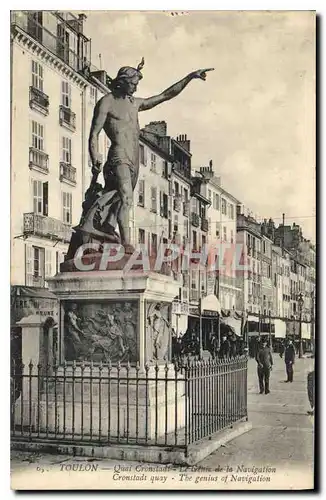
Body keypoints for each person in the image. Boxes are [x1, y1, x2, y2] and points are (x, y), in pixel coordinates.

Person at [86, 61, 214, 249]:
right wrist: (94, 153)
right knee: (126, 198)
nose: (136, 88)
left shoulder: (134, 103)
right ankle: (126, 244)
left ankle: (107, 229)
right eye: (133, 84)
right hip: (118, 155)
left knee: (117, 200)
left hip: (134, 158)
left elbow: (165, 96)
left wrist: (190, 77)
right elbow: (94, 133)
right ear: (122, 82)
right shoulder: (107, 102)